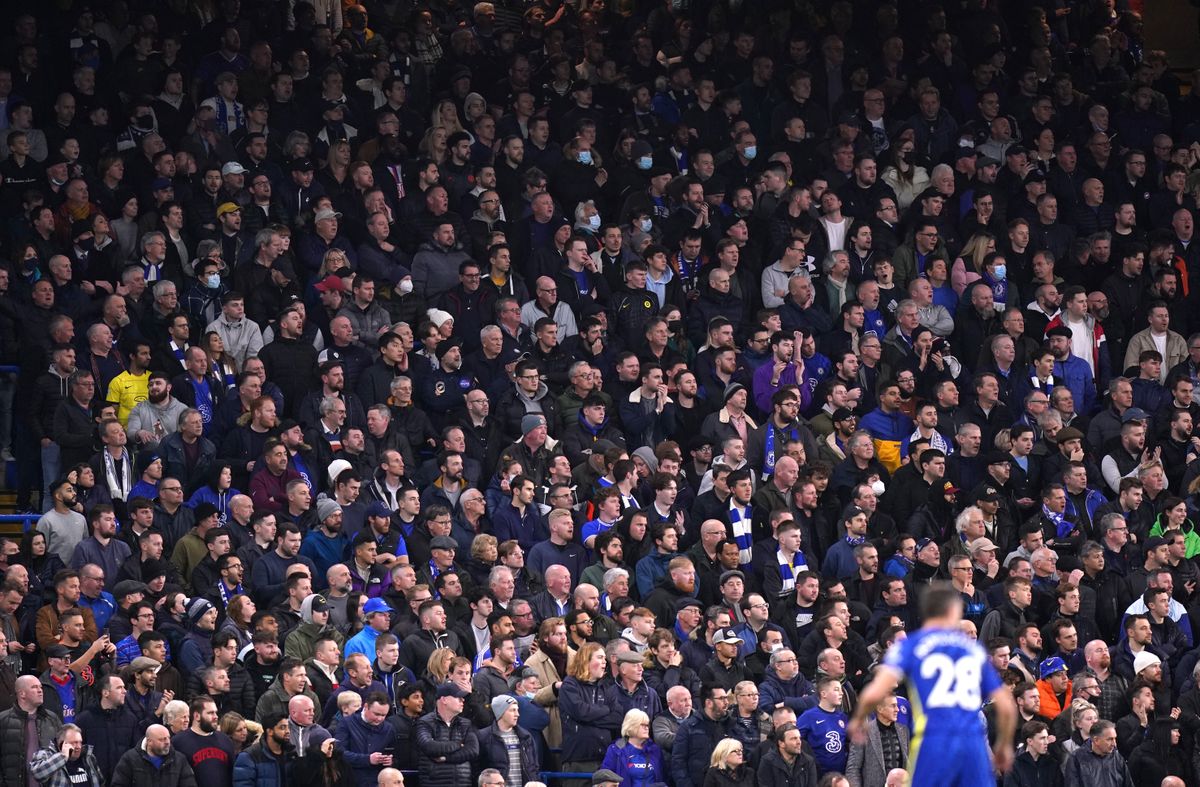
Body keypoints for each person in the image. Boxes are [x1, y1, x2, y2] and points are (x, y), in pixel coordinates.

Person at [850, 584, 1017, 783]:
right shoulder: (974, 651)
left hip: (934, 741)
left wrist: (858, 720)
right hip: (972, 742)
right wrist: (1004, 745)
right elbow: (1006, 706)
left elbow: (874, 692)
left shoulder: (910, 645)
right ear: (953, 610)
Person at [413, 684, 479, 787]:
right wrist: (458, 744)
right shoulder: (425, 722)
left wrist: (446, 758)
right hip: (434, 783)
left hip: (462, 783)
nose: (462, 700)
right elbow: (429, 746)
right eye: (458, 697)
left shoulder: (466, 724)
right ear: (444, 700)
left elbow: (473, 751)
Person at [110, 724, 198, 787]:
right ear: (149, 742)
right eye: (162, 739)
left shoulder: (179, 760)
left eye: (168, 738)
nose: (167, 742)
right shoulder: (129, 759)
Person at [600, 708, 667, 787]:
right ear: (631, 726)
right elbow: (605, 779)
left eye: (647, 725)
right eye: (642, 725)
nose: (646, 728)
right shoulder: (615, 750)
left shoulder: (655, 750)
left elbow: (663, 778)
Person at [29, 723, 104, 787]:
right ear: (61, 744)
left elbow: (101, 782)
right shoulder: (46, 755)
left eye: (80, 742)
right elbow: (37, 774)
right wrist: (62, 757)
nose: (78, 746)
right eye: (74, 743)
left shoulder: (88, 757)